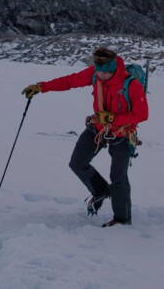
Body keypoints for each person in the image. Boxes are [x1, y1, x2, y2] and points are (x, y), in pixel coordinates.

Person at [22, 47, 148, 227]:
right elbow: (69, 81)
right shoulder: (95, 74)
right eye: (99, 71)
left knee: (118, 176)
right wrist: (42, 87)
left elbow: (142, 114)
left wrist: (114, 119)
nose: (101, 75)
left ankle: (122, 219)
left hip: (122, 133)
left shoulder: (131, 84)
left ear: (113, 68)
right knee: (77, 162)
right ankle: (100, 190)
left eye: (105, 72)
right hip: (97, 128)